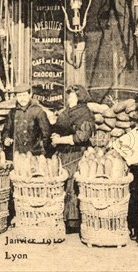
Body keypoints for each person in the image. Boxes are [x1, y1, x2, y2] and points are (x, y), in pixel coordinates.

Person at [50, 85, 95, 232]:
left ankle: (73, 222)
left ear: (79, 97)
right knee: (62, 185)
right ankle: (63, 218)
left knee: (73, 187)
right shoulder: (66, 112)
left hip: (77, 153)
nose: (69, 99)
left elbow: (82, 136)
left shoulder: (85, 113)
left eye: (72, 96)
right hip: (63, 153)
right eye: (68, 96)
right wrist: (54, 135)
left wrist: (61, 140)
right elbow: (58, 127)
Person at [2, 84, 51, 157]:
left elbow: (46, 134)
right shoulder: (13, 112)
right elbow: (6, 129)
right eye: (19, 96)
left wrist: (43, 151)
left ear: (30, 95)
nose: (22, 99)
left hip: (33, 153)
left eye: (24, 95)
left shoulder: (38, 111)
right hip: (16, 153)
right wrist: (6, 139)